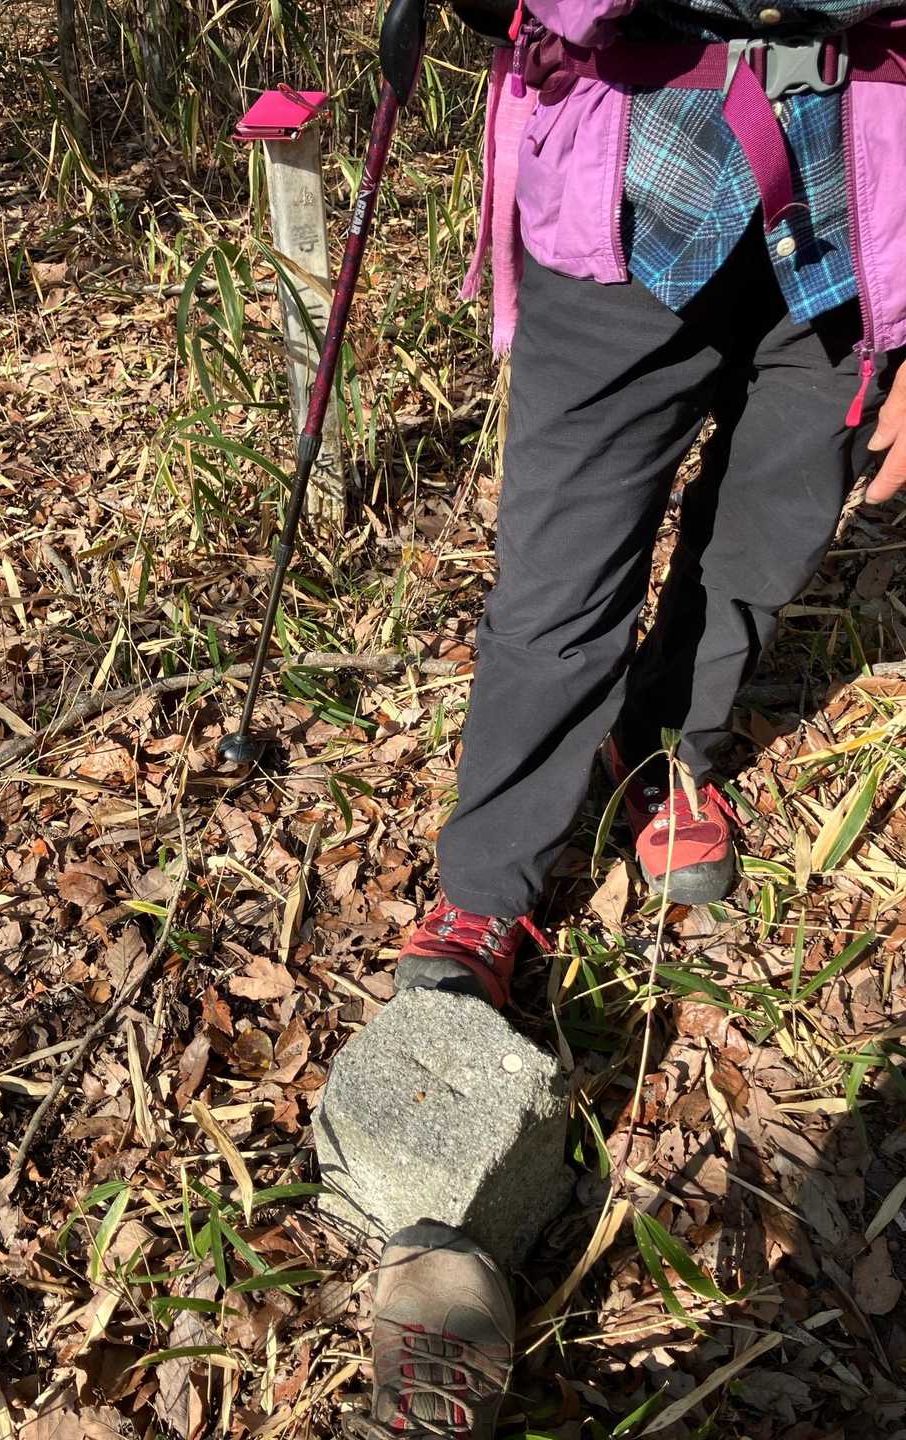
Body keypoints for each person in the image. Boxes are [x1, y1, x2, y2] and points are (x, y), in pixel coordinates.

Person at [360, 1, 906, 1436]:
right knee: (560, 577)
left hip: (859, 204)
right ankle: (491, 887)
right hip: (636, 171)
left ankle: (670, 754)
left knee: (768, 539)